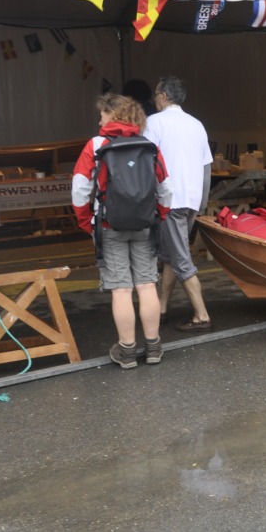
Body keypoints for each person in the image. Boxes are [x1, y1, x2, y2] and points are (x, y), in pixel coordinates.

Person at [72, 94, 172, 367]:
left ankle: (127, 351)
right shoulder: (149, 146)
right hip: (144, 223)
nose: (99, 119)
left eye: (102, 114)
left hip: (108, 225)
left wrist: (86, 221)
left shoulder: (96, 145)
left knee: (122, 290)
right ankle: (153, 348)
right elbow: (166, 188)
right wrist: (159, 215)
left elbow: (80, 187)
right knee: (147, 284)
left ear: (113, 115)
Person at [144, 75, 214, 332]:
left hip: (169, 200)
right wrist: (202, 202)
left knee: (181, 258)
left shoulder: (154, 122)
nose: (154, 100)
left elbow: (147, 162)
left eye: (156, 95)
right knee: (172, 254)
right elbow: (207, 167)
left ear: (163, 96)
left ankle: (202, 314)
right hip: (192, 199)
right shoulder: (197, 124)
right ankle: (161, 307)